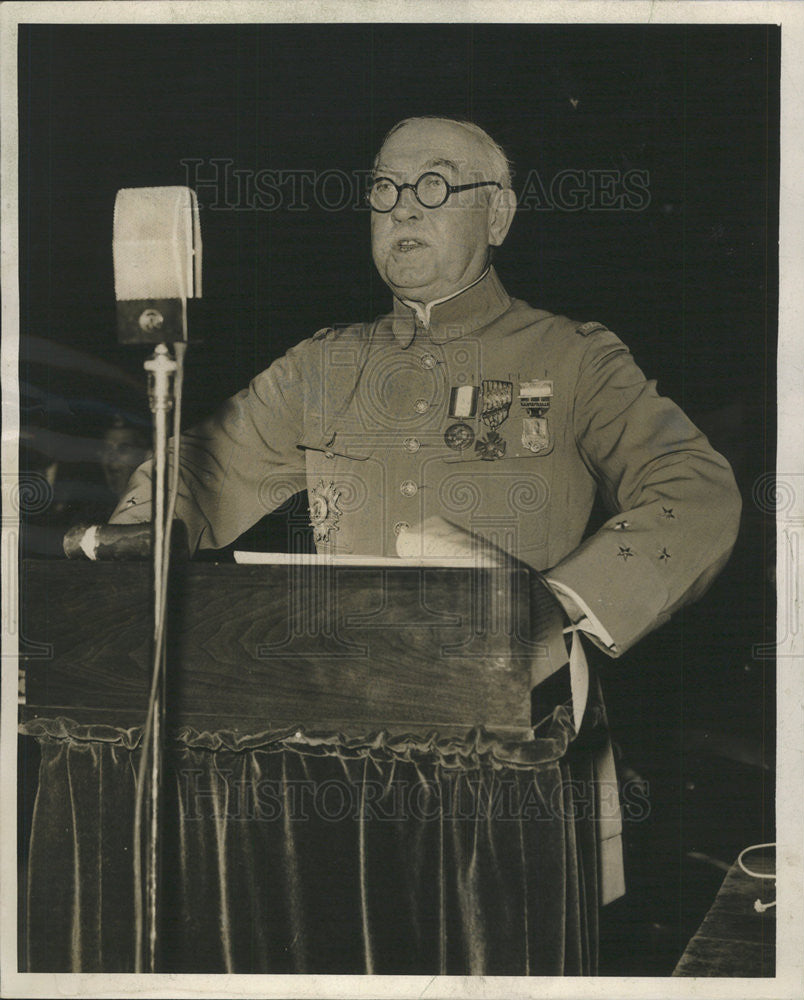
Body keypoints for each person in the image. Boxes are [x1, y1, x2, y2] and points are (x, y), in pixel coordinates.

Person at [110, 116, 742, 970]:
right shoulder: (319, 366)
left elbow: (695, 489)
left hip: (511, 759)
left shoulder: (573, 357)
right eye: (382, 189)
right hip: (331, 763)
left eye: (436, 186)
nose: (403, 208)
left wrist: (550, 607)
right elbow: (197, 467)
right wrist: (138, 533)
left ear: (499, 217)